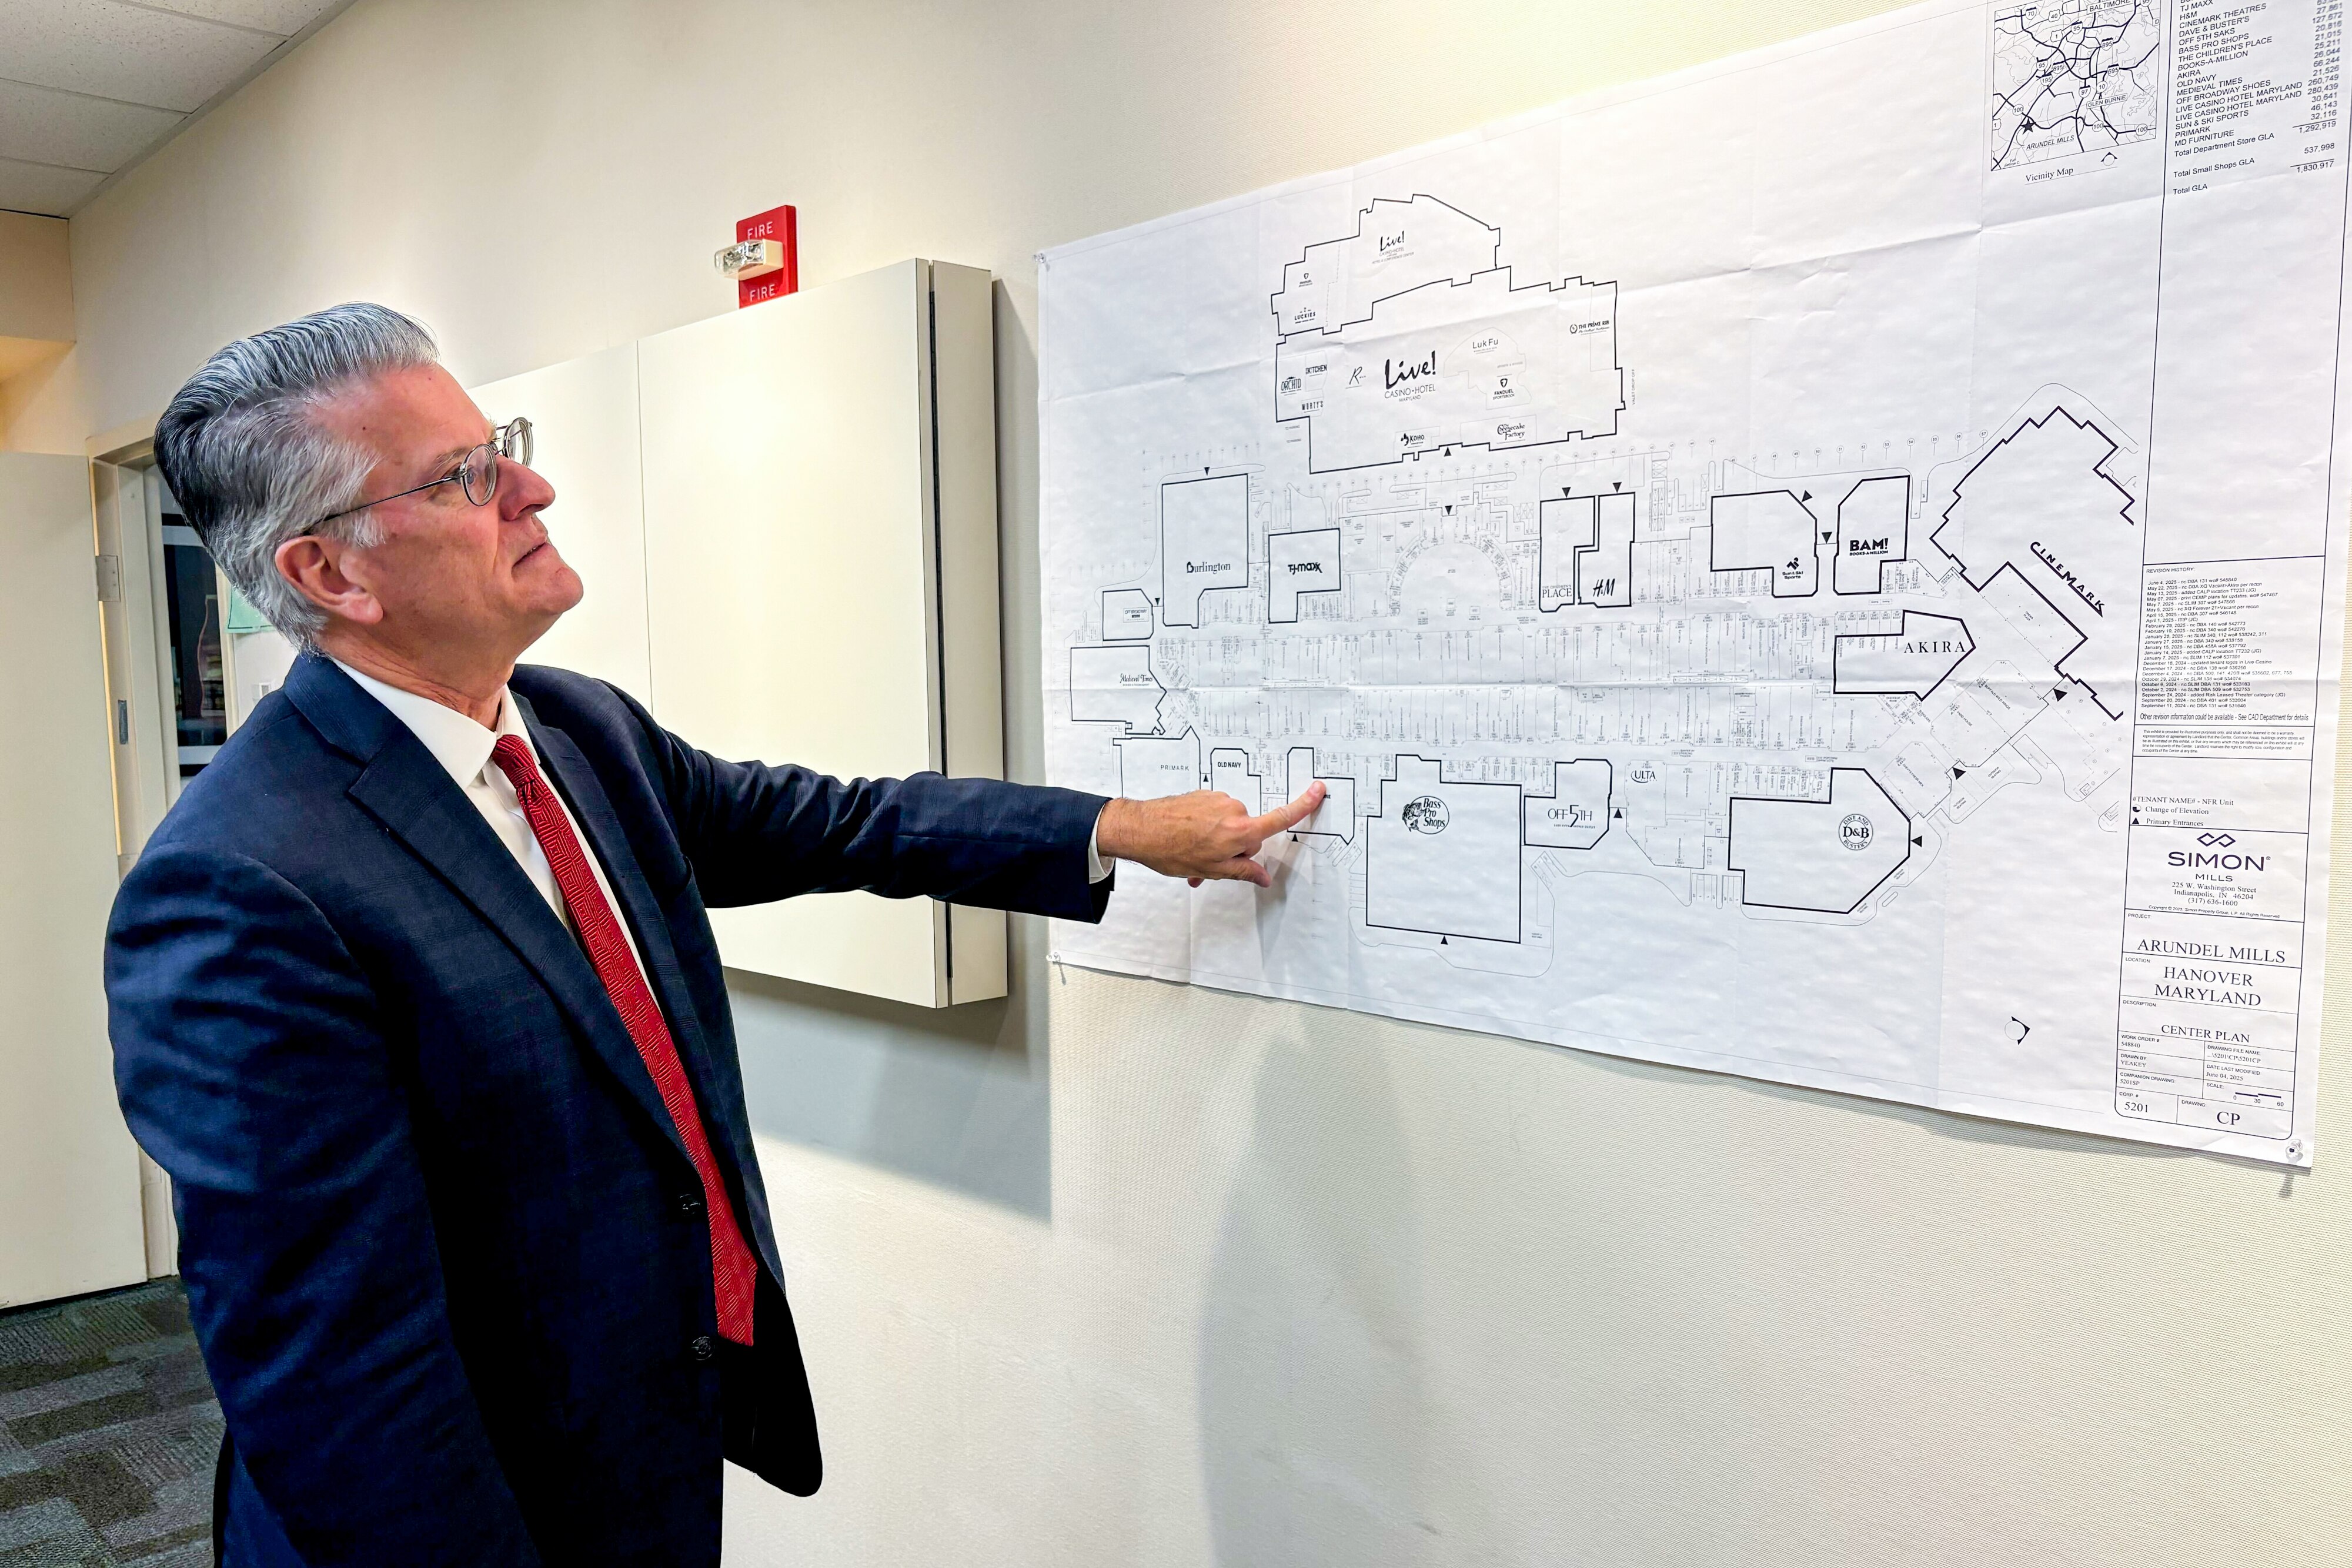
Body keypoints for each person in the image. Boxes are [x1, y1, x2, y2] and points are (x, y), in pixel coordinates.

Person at [105, 302, 1322, 1567]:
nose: (533, 486)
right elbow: (338, 1373)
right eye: (466, 476)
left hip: (646, 1442)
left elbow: (837, 824)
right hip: (474, 1512)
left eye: (499, 442)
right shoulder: (239, 884)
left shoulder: (576, 732)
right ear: (331, 574)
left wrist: (1119, 827)